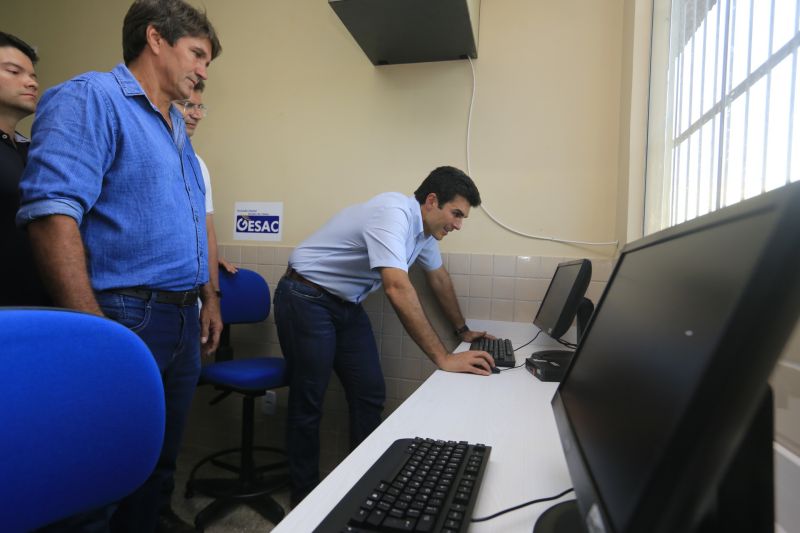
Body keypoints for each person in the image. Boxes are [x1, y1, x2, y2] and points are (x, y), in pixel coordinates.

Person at [16, 1, 222, 531]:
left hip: (179, 318)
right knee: (99, 476)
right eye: (197, 54)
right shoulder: (92, 98)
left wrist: (207, 298)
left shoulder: (176, 127)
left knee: (156, 469)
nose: (203, 70)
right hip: (126, 314)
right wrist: (92, 332)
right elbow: (51, 213)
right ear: (156, 38)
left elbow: (191, 225)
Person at [274, 166, 496, 505]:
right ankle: (304, 500)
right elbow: (396, 287)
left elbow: (438, 279)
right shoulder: (392, 212)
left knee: (370, 394)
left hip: (345, 305)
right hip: (306, 295)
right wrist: (444, 358)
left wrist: (462, 330)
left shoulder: (423, 234)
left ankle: (365, 490)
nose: (458, 224)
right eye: (456, 214)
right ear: (432, 201)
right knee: (309, 401)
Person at [0, 31, 48, 306]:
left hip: (39, 310)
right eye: (14, 71)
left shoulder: (34, 152)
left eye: (33, 76)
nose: (31, 82)